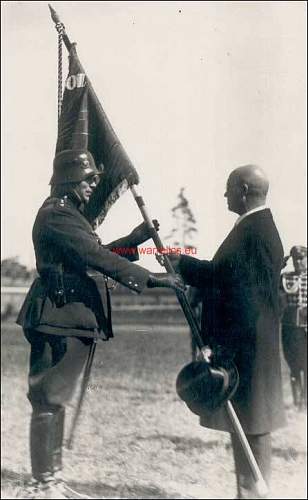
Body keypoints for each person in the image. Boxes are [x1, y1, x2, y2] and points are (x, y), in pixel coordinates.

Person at [16, 149, 184, 499]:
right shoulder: (57, 215)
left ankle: (51, 479)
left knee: (54, 397)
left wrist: (134, 240)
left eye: (94, 178)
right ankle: (43, 483)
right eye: (88, 178)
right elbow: (94, 257)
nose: (94, 184)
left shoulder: (68, 215)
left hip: (66, 316)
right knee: (49, 396)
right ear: (67, 178)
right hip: (59, 314)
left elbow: (95, 250)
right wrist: (152, 279)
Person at [162, 165, 286, 499]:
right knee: (248, 421)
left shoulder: (255, 231)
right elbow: (224, 276)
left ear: (244, 190)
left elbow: (242, 297)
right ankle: (247, 492)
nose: (225, 194)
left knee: (253, 424)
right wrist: (181, 262)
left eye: (229, 187)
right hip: (249, 345)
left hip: (247, 347)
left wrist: (220, 345)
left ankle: (253, 493)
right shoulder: (254, 228)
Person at [280, 245, 307, 410]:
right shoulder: (286, 278)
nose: (299, 262)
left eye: (302, 258)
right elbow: (269, 282)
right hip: (291, 328)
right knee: (293, 362)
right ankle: (297, 401)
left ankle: (305, 401)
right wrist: (280, 264)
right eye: (295, 258)